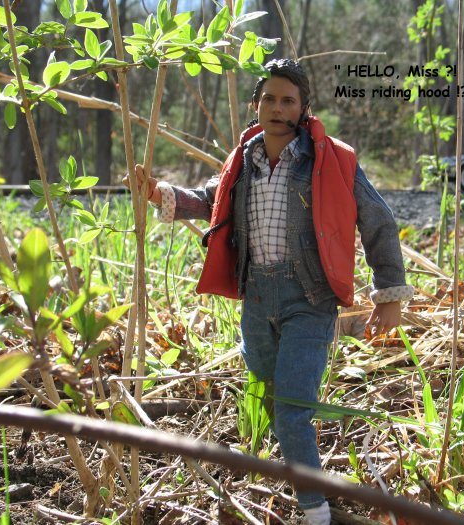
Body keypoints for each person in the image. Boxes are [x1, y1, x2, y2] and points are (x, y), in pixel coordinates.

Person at [125, 58, 413, 525]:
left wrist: (390, 294)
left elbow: (377, 220)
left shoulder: (331, 161)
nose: (278, 109)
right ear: (255, 105)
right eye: (269, 99)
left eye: (288, 101)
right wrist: (158, 192)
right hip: (257, 297)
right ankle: (291, 457)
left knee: (292, 410)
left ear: (304, 108)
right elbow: (211, 200)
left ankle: (315, 510)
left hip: (310, 298)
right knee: (264, 381)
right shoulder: (244, 160)